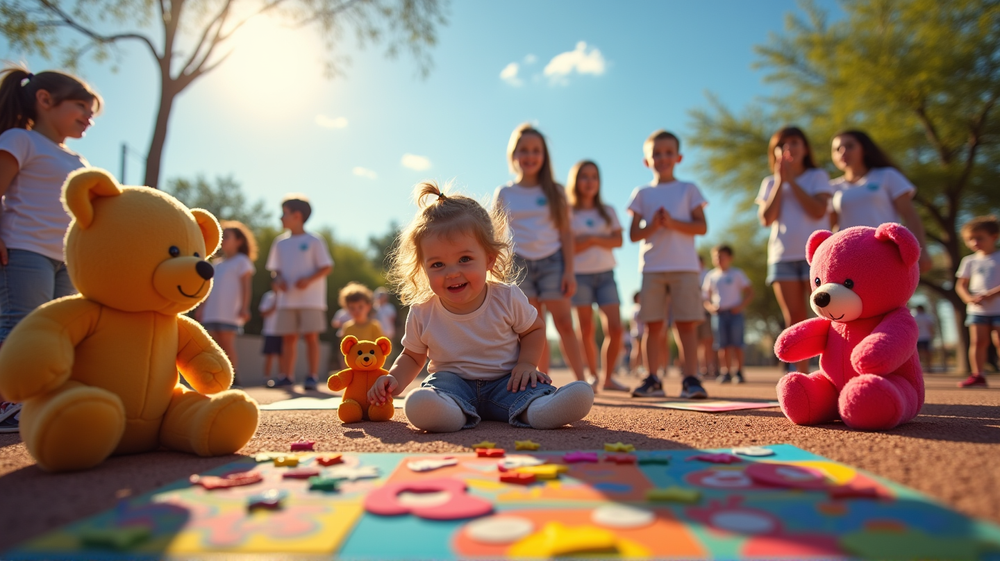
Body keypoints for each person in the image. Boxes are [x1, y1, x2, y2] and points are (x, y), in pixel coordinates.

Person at [368, 181, 594, 433]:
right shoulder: (423, 311)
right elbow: (412, 356)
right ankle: (450, 414)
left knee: (528, 388)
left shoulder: (507, 297)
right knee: (433, 391)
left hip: (508, 381)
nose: (452, 273)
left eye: (464, 259)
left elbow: (534, 330)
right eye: (438, 265)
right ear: (423, 268)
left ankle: (540, 410)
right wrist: (393, 380)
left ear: (489, 259)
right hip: (453, 384)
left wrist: (527, 364)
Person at [0, 66, 102, 433]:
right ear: (45, 100)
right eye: (81, 107)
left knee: (58, 334)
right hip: (23, 249)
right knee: (19, 326)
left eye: (91, 112)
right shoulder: (19, 139)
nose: (88, 118)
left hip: (65, 261)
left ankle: (40, 400)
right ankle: (7, 401)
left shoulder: (77, 161)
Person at [491, 124, 590, 386]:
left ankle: (582, 380)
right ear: (514, 155)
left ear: (544, 156)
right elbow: (496, 235)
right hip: (520, 264)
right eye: (524, 150)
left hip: (553, 263)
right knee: (533, 326)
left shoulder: (556, 191)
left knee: (564, 323)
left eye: (536, 150)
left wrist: (569, 271)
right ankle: (540, 381)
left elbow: (566, 233)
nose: (530, 156)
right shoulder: (505, 193)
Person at [627, 130, 709, 399]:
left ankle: (690, 378)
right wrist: (653, 225)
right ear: (646, 161)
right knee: (653, 325)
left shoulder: (689, 189)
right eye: (656, 154)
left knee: (686, 324)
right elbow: (633, 234)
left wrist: (673, 223)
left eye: (668, 153)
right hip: (652, 268)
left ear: (678, 157)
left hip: (684, 267)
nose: (662, 158)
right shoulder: (642, 193)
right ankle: (652, 378)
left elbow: (702, 226)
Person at [757, 127, 832, 374]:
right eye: (782, 144)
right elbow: (767, 218)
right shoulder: (769, 182)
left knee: (825, 314)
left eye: (794, 142)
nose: (788, 148)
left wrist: (792, 182)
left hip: (816, 255)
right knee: (794, 317)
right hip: (782, 256)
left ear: (805, 147)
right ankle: (797, 374)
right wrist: (781, 181)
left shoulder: (817, 176)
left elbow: (818, 211)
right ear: (775, 152)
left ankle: (830, 369)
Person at [830, 130, 931, 272]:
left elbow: (910, 215)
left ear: (864, 149)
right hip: (848, 256)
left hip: (886, 252)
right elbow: (832, 225)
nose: (843, 152)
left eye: (850, 146)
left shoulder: (887, 175)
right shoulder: (831, 187)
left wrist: (921, 250)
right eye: (837, 149)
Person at [566, 160, 627, 392]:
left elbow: (618, 240)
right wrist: (600, 239)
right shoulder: (568, 212)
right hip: (579, 275)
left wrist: (590, 239)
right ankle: (592, 375)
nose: (589, 181)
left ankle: (609, 378)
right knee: (586, 329)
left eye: (594, 177)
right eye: (584, 176)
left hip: (606, 274)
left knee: (616, 328)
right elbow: (568, 245)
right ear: (576, 181)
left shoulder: (608, 210)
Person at [265, 194, 333, 390]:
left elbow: (326, 266)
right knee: (288, 338)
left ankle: (311, 376)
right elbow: (275, 270)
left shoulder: (314, 240)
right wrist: (278, 280)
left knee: (311, 337)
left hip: (311, 300)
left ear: (297, 215)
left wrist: (309, 279)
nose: (280, 217)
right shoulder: (279, 242)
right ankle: (286, 376)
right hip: (287, 301)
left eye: (284, 213)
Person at [197, 221, 256, 386]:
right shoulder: (217, 264)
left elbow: (246, 287)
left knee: (227, 343)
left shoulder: (242, 261)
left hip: (230, 312)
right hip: (212, 311)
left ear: (239, 241)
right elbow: (209, 289)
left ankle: (233, 376)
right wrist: (202, 308)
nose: (223, 240)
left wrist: (244, 308)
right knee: (214, 345)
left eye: (227, 236)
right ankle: (217, 377)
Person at [955, 215, 1000, 388]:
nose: (974, 242)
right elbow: (961, 285)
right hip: (977, 310)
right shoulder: (969, 261)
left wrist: (992, 294)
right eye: (970, 239)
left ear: (994, 236)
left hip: (998, 308)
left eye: (979, 238)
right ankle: (978, 374)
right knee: (978, 342)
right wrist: (969, 299)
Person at [702, 245, 753, 383]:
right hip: (719, 314)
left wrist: (740, 306)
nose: (718, 259)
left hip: (735, 313)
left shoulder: (736, 273)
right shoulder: (711, 276)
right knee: (721, 344)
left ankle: (739, 371)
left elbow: (749, 292)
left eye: (721, 256)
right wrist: (711, 307)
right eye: (716, 257)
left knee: (737, 343)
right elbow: (705, 297)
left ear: (729, 258)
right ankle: (725, 371)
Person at [696, 254, 717, 380]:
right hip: (694, 313)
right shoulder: (691, 275)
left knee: (708, 341)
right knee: (698, 343)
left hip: (707, 313)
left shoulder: (708, 274)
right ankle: (703, 368)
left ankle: (711, 367)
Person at [259, 290, 281, 385]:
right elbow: (263, 313)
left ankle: (282, 377)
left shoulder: (287, 296)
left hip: (283, 332)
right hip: (270, 331)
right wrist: (275, 305)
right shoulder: (268, 296)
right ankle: (266, 377)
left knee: (283, 356)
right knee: (269, 356)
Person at [913, 304, 936, 373]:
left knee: (918, 354)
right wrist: (932, 335)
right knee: (927, 353)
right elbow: (931, 327)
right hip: (926, 337)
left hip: (918, 337)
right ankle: (929, 367)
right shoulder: (927, 317)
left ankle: (920, 368)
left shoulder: (915, 317)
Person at [629, 292, 645, 376]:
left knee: (641, 351)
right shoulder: (637, 308)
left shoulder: (637, 308)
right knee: (637, 351)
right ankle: (634, 369)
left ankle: (639, 368)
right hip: (638, 333)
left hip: (641, 332)